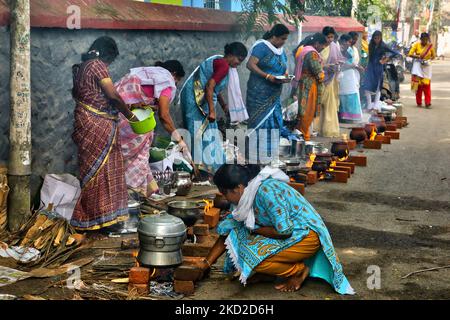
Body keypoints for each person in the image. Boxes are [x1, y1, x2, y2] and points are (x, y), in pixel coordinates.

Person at [196, 164, 355, 294]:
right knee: (240, 237)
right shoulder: (244, 198)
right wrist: (206, 264)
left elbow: (284, 231)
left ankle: (298, 270)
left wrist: (255, 230)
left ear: (237, 188)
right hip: (288, 234)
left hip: (306, 235)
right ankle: (270, 274)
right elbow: (228, 231)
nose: (222, 197)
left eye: (223, 193)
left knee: (253, 258)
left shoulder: (266, 192)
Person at [70, 36, 137, 232]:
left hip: (85, 121)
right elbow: (113, 95)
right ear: (108, 55)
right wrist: (130, 116)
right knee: (103, 171)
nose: (109, 64)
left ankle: (95, 218)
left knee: (92, 171)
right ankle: (101, 220)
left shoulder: (82, 67)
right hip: (98, 123)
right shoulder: (98, 66)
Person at [115, 60, 186, 197]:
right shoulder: (167, 83)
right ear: (174, 74)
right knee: (139, 156)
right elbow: (164, 116)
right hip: (133, 123)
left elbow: (138, 99)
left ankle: (144, 190)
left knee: (117, 155)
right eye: (177, 80)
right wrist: (179, 139)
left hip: (115, 118)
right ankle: (132, 194)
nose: (175, 84)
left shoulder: (146, 74)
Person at [180, 42, 248, 174]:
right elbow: (209, 86)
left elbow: (215, 89)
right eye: (239, 60)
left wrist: (223, 105)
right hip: (196, 100)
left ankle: (206, 168)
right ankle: (204, 170)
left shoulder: (218, 60)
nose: (238, 64)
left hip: (195, 96)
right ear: (231, 55)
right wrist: (212, 111)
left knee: (205, 133)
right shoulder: (223, 65)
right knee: (200, 133)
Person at [246, 24, 292, 162]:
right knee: (260, 122)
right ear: (274, 36)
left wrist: (285, 75)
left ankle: (270, 154)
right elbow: (250, 64)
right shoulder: (261, 47)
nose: (284, 41)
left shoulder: (281, 50)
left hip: (275, 93)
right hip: (259, 93)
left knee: (276, 121)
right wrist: (267, 76)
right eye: (282, 38)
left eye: (285, 39)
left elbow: (283, 66)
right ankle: (255, 155)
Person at [292, 33, 328, 141]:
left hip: (303, 83)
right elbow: (318, 73)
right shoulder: (312, 54)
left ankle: (300, 136)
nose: (323, 48)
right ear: (316, 43)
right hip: (309, 86)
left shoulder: (303, 50)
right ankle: (303, 137)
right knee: (307, 112)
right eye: (323, 45)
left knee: (302, 111)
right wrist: (323, 74)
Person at [362, 30, 400, 112]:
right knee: (367, 86)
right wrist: (366, 66)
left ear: (381, 38)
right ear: (373, 38)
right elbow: (370, 57)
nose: (377, 40)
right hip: (370, 67)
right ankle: (369, 105)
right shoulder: (370, 45)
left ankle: (375, 106)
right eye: (375, 38)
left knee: (378, 87)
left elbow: (395, 53)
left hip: (379, 68)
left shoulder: (383, 45)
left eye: (378, 38)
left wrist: (385, 59)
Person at [318, 26, 344, 138]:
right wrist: (325, 66)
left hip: (331, 79)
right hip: (319, 78)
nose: (330, 40)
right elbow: (315, 62)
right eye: (328, 37)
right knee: (318, 105)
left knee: (330, 106)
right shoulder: (318, 46)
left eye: (332, 37)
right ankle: (316, 129)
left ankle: (329, 130)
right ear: (323, 37)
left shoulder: (334, 46)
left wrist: (338, 65)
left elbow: (340, 59)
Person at [338, 34, 364, 123]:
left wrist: (356, 66)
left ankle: (351, 117)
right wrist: (355, 66)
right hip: (343, 75)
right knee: (345, 96)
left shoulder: (349, 49)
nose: (350, 43)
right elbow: (342, 64)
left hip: (350, 75)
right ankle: (344, 117)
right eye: (349, 41)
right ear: (344, 41)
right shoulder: (339, 49)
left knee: (352, 94)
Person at [408, 32, 436, 108]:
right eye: (423, 40)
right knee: (419, 86)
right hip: (418, 67)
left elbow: (433, 56)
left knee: (427, 85)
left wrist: (428, 60)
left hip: (427, 67)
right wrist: (418, 57)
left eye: (426, 40)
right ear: (420, 39)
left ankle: (427, 102)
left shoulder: (430, 46)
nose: (424, 41)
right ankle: (419, 102)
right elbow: (410, 54)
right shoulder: (416, 45)